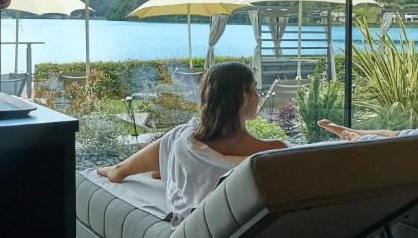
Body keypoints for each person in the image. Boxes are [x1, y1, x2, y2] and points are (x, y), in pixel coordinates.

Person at [98, 62, 286, 224]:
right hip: (252, 226)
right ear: (244, 98)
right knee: (182, 134)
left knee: (180, 133)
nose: (258, 96)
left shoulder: (188, 145)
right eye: (254, 89)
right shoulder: (276, 150)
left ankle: (122, 169)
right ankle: (152, 169)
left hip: (207, 215)